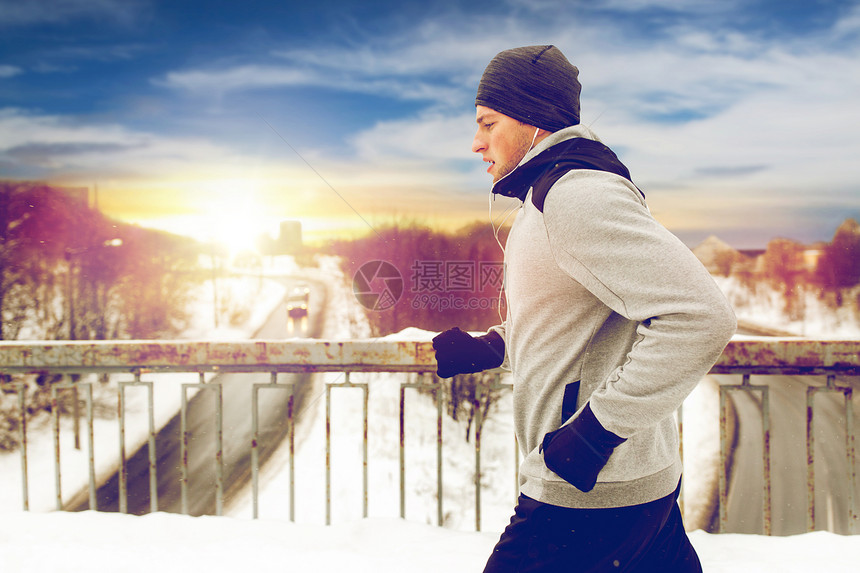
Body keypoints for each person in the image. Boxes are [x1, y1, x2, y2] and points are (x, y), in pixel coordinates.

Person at [432, 45, 736, 572]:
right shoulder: (547, 194)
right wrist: (493, 345)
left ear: (531, 118)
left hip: (590, 494)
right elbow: (579, 314)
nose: (476, 142)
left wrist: (595, 432)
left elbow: (701, 316)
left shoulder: (576, 196)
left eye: (487, 122)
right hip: (627, 481)